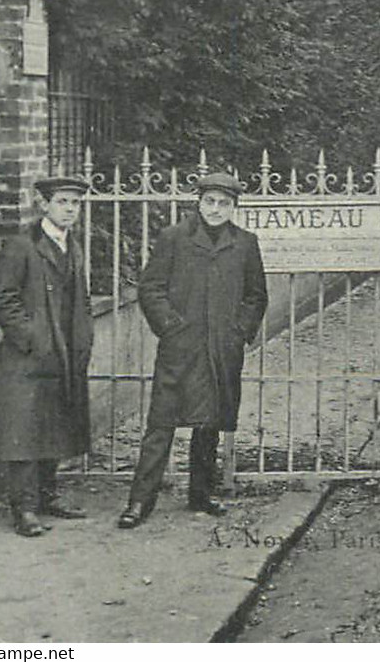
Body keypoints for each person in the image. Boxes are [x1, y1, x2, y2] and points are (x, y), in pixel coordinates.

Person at [119, 172, 267, 528]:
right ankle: (140, 501)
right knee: (161, 424)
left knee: (210, 423)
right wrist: (170, 327)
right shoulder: (175, 238)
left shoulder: (245, 243)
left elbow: (256, 295)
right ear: (198, 203)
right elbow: (150, 288)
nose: (215, 210)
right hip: (180, 348)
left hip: (220, 349)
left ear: (234, 207)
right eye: (209, 202)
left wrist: (239, 333)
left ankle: (200, 493)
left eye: (224, 203)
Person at [0, 176, 94, 537]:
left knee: (55, 423)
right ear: (44, 205)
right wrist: (30, 338)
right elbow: (2, 298)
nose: (69, 209)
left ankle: (48, 496)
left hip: (64, 350)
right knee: (25, 431)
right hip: (31, 355)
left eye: (75, 203)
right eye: (62, 202)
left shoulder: (72, 245)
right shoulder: (22, 246)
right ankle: (25, 509)